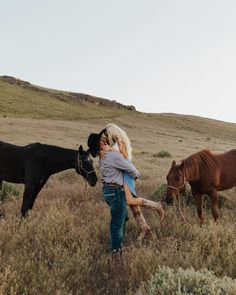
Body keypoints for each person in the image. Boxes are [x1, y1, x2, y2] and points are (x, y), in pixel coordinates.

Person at [101, 124, 164, 235]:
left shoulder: (120, 143)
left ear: (113, 134)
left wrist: (111, 149)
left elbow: (125, 157)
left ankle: (156, 206)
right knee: (132, 204)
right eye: (104, 134)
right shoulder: (112, 144)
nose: (104, 136)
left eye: (107, 134)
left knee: (130, 200)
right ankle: (144, 227)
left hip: (126, 173)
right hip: (122, 173)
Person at [87, 129, 141, 254]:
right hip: (116, 191)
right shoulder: (111, 155)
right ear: (99, 144)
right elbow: (133, 171)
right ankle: (116, 252)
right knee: (117, 222)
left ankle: (118, 245)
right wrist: (135, 176)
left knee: (123, 217)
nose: (104, 139)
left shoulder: (103, 155)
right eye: (101, 139)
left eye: (104, 137)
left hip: (107, 191)